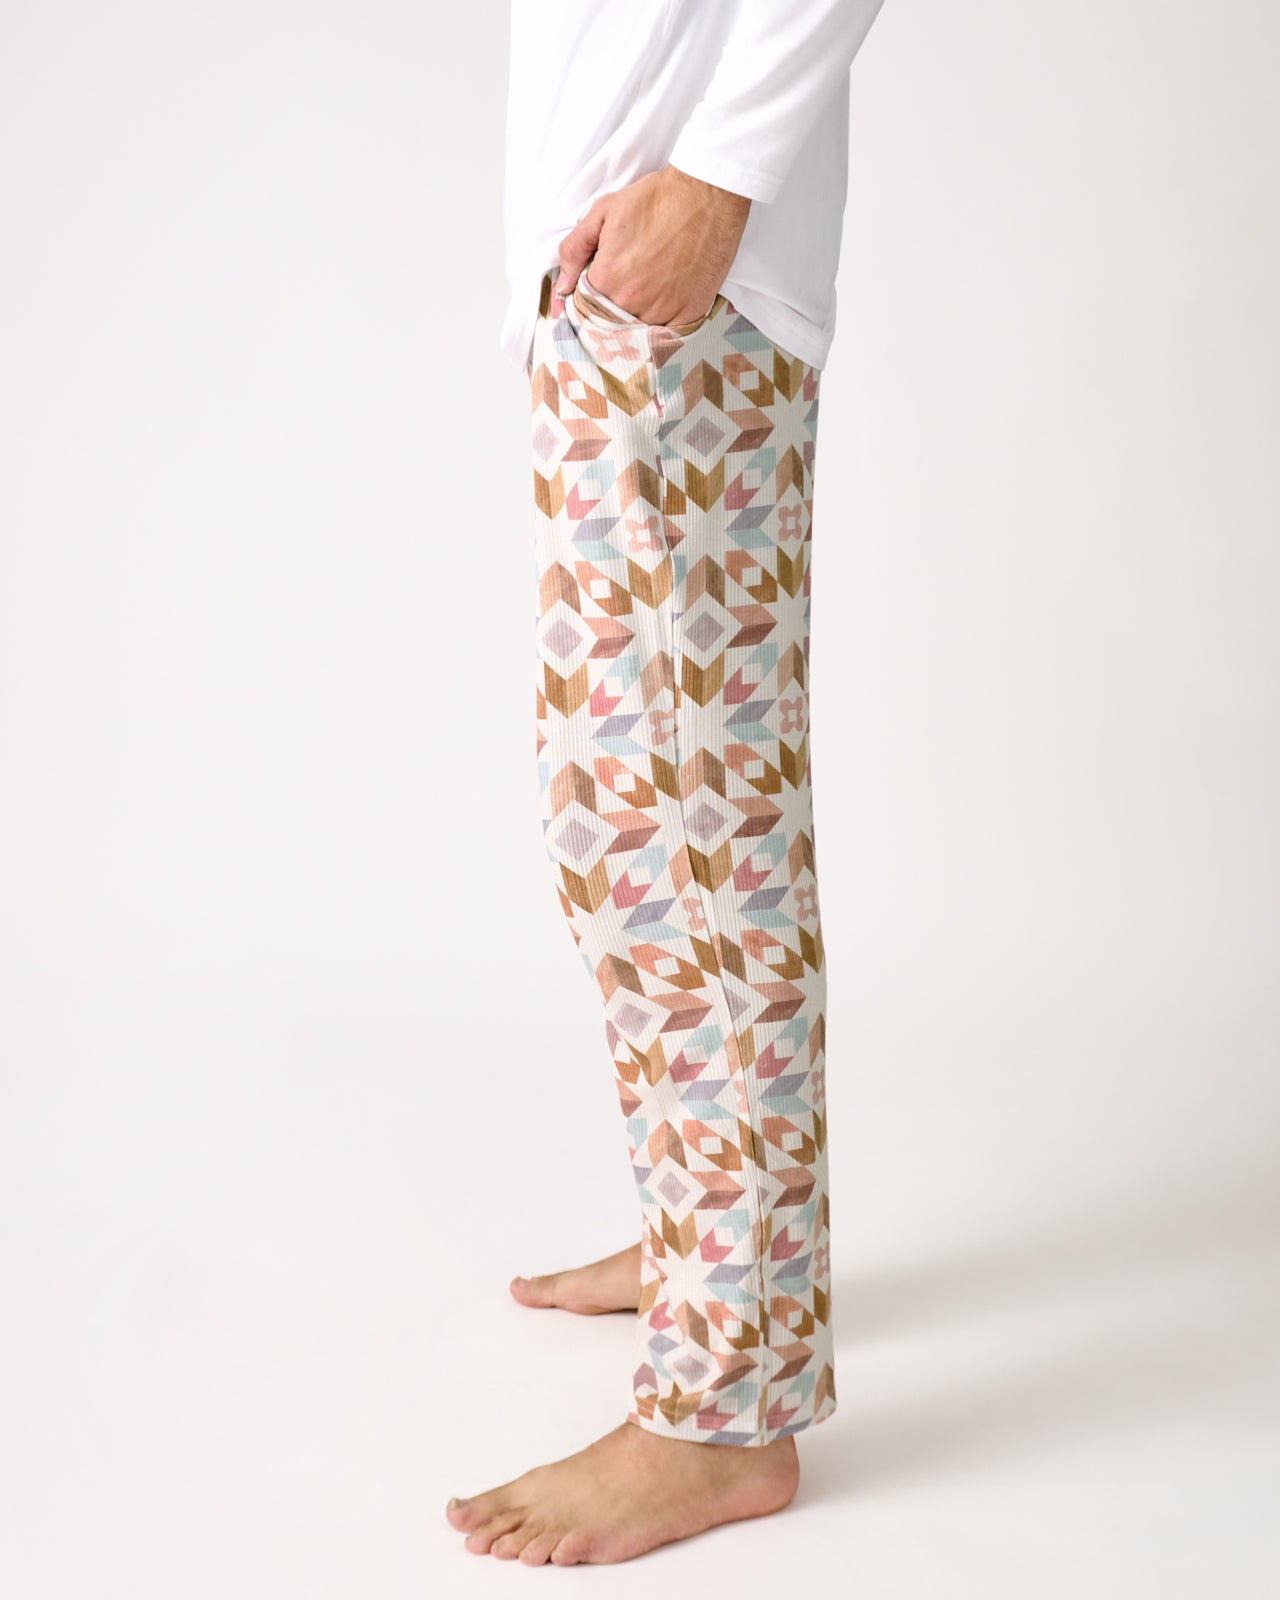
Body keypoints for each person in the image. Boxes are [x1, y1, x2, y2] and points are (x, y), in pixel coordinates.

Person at [446, 0, 886, 1567]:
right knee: (632, 821)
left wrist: (718, 176)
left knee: (689, 840)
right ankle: (715, 1249)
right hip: (625, 272)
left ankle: (726, 1408)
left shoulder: (697, 211)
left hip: (679, 261)